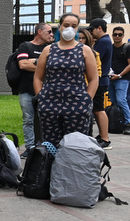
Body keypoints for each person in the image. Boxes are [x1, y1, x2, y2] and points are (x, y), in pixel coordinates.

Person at [33, 13, 98, 148]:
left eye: (74, 26)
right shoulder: (48, 50)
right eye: (66, 25)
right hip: (50, 106)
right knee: (51, 145)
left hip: (77, 106)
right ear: (60, 27)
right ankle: (51, 169)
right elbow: (38, 77)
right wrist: (41, 97)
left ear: (78, 28)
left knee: (76, 146)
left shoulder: (85, 50)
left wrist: (86, 99)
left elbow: (93, 79)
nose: (70, 28)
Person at [15, 23, 53, 157]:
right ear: (39, 32)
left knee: (47, 119)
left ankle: (46, 147)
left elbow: (53, 66)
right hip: (26, 89)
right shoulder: (25, 46)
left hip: (46, 91)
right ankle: (30, 147)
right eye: (49, 32)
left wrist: (34, 61)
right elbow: (23, 64)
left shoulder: (50, 48)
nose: (52, 34)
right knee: (28, 119)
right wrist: (43, 64)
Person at [78, 28, 110, 150]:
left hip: (92, 87)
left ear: (88, 39)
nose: (80, 40)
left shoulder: (93, 53)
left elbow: (97, 72)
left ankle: (104, 138)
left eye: (83, 38)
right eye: (78, 37)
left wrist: (89, 87)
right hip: (77, 88)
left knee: (97, 110)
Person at [88, 18, 112, 148]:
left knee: (99, 110)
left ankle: (105, 138)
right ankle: (102, 136)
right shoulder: (105, 41)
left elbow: (93, 59)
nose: (91, 33)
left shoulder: (103, 42)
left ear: (99, 28)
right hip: (101, 79)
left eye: (92, 30)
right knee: (97, 109)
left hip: (99, 80)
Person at [108, 26, 130, 135]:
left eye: (120, 34)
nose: (117, 36)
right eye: (115, 34)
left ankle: (127, 124)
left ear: (123, 35)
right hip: (110, 78)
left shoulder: (128, 48)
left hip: (122, 79)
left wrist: (119, 75)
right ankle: (117, 123)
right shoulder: (110, 48)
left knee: (121, 100)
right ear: (112, 35)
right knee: (114, 102)